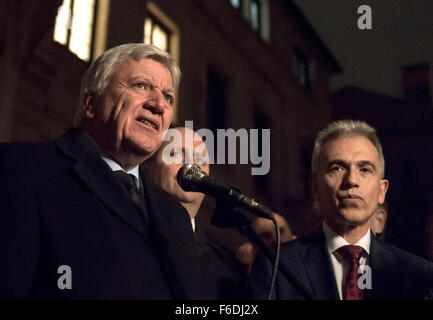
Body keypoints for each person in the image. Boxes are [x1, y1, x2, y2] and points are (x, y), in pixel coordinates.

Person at [0, 43, 204, 299]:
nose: (159, 105)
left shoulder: (175, 215)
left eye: (168, 97)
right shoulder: (21, 170)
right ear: (90, 103)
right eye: (141, 85)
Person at [250, 120, 433, 300]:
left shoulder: (418, 275)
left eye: (365, 169)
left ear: (382, 191)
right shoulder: (276, 265)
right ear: (315, 188)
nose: (351, 180)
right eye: (337, 168)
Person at [143, 126, 246, 299]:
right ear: (148, 164)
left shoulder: (227, 269)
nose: (191, 166)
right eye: (176, 154)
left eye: (200, 159)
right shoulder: (123, 230)